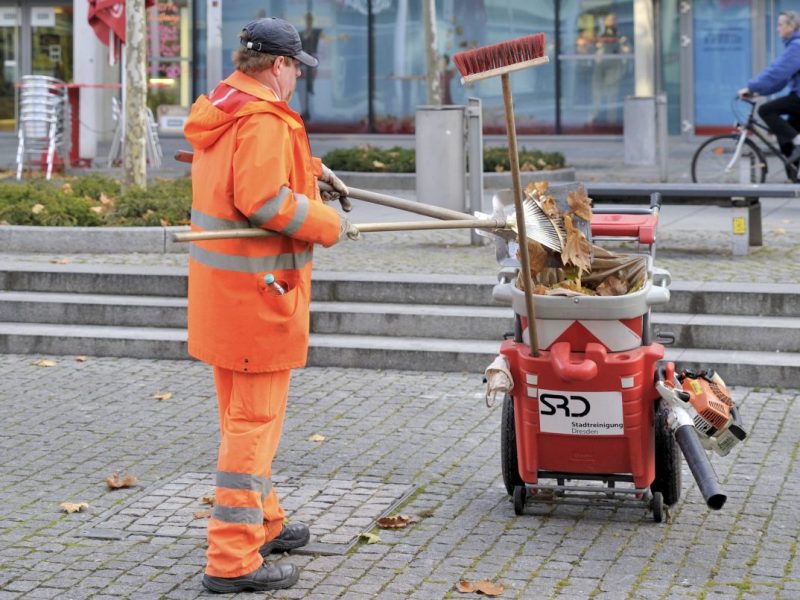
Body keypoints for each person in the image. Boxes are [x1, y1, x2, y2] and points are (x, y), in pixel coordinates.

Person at [183, 16, 357, 593]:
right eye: (296, 69)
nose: (297, 80)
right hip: (260, 297)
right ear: (279, 66)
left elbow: (249, 173)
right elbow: (260, 198)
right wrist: (327, 223)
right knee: (254, 426)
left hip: (224, 298)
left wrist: (312, 170)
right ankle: (232, 561)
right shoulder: (263, 119)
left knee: (245, 420)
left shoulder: (226, 107)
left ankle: (265, 522)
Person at [738, 11, 800, 163]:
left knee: (765, 110)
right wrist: (759, 91)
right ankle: (794, 178)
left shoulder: (797, 46)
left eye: (780, 25)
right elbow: (782, 80)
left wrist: (752, 87)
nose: (777, 29)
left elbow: (776, 72)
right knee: (784, 135)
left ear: (791, 26)